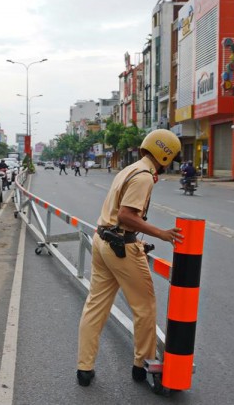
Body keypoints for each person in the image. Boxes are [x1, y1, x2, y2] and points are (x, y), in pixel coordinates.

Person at [76, 129, 184, 387]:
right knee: (145, 307)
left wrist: (135, 239)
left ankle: (84, 368)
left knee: (95, 307)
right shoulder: (144, 177)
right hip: (120, 248)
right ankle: (141, 365)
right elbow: (125, 215)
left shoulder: (128, 169)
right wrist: (161, 234)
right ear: (164, 155)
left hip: (103, 241)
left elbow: (116, 214)